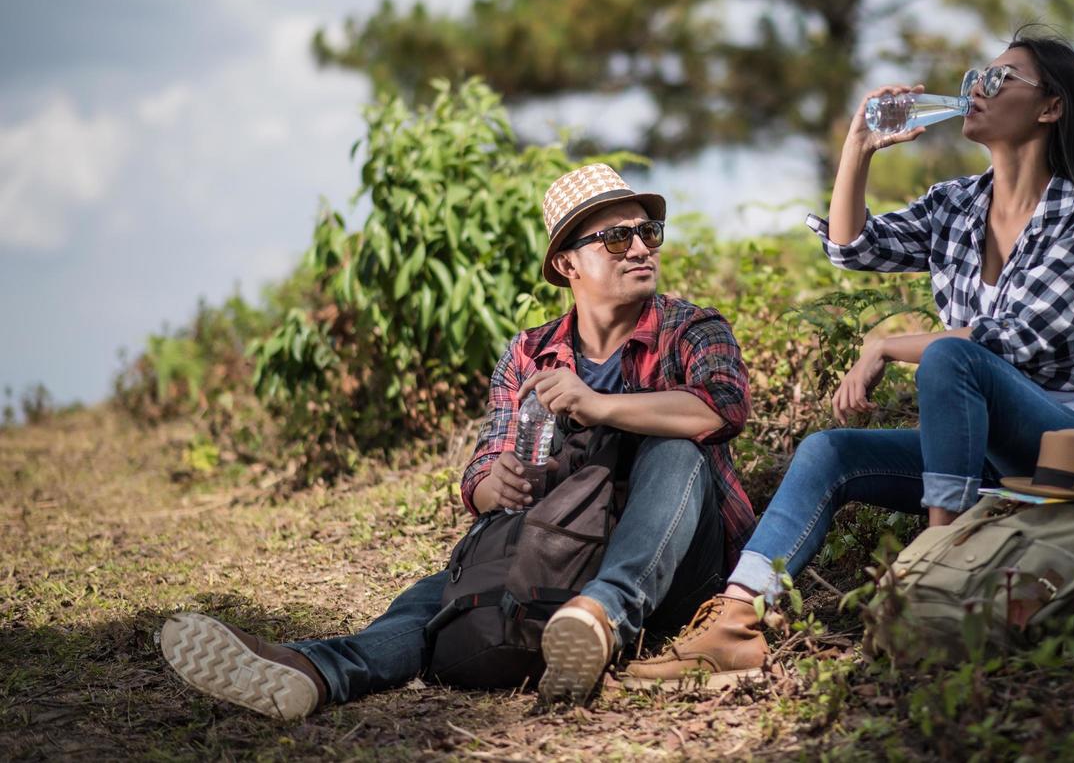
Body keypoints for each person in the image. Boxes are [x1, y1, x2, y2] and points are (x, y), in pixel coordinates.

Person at [623, 30, 1074, 689]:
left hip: (1071, 443)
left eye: (1001, 79)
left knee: (951, 356)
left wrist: (884, 345)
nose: (976, 86)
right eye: (978, 72)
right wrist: (856, 149)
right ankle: (735, 623)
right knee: (829, 451)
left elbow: (1009, 339)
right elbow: (852, 248)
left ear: (1051, 108)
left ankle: (933, 556)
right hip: (984, 443)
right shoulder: (958, 204)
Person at [160, 163, 755, 717]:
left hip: (672, 565)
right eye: (618, 238)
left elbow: (723, 408)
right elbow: (484, 468)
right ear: (568, 265)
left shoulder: (691, 327)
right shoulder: (529, 352)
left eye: (648, 232)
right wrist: (495, 484)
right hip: (564, 552)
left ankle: (606, 614)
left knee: (677, 448)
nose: (643, 248)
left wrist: (599, 404)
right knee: (438, 600)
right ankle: (316, 669)